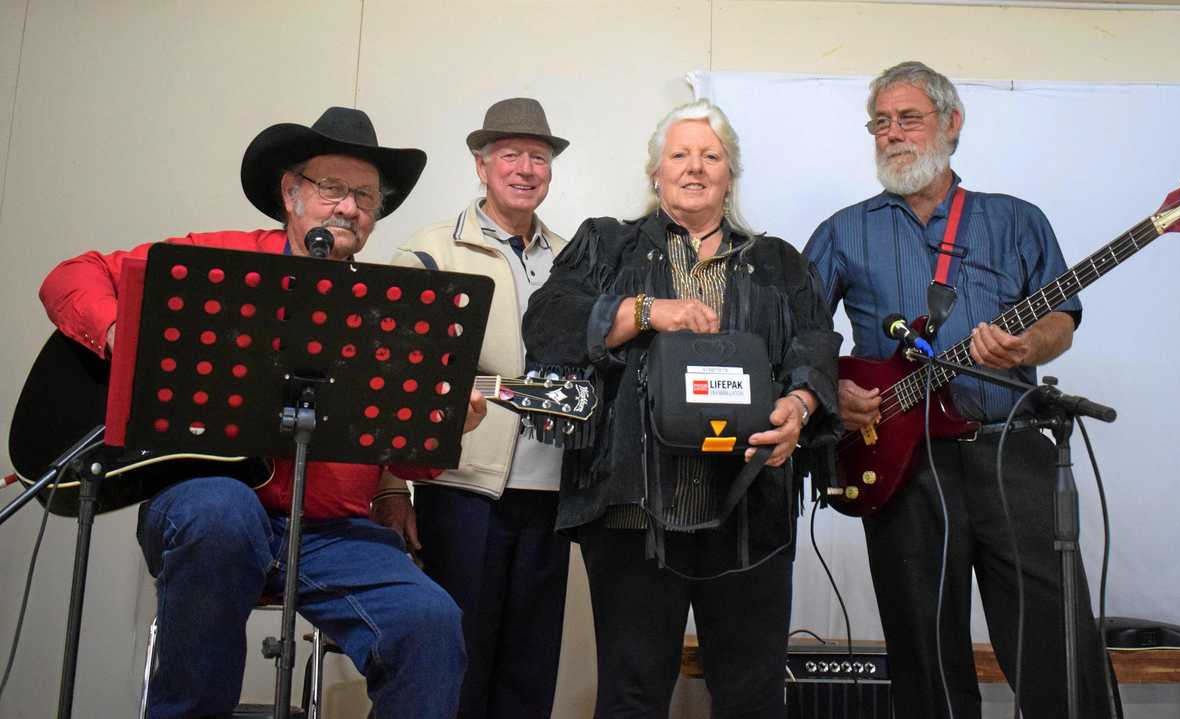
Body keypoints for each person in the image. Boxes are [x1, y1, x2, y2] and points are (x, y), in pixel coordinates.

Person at [39, 107, 485, 719]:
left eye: (364, 196)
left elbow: (407, 458)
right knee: (222, 512)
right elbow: (73, 275)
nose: (348, 208)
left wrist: (442, 425)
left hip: (332, 532)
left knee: (432, 623)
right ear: (292, 193)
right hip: (208, 507)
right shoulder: (217, 261)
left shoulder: (392, 314)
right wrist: (123, 337)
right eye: (333, 189)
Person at [803, 61, 1117, 718]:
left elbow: (1062, 318)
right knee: (924, 653)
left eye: (908, 118)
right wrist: (834, 385)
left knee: (1056, 643)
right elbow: (797, 335)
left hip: (1013, 452)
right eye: (881, 123)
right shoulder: (842, 230)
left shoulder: (1016, 220)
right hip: (901, 460)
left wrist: (1027, 345)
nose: (892, 134)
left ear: (952, 123)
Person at [523, 99, 841, 718]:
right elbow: (548, 324)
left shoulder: (777, 262)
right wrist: (643, 311)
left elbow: (816, 343)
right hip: (633, 515)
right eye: (680, 155)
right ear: (656, 173)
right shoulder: (605, 245)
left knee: (751, 696)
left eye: (710, 156)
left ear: (730, 174)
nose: (694, 167)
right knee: (633, 694)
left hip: (750, 512)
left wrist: (801, 403)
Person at [376, 97, 572, 719]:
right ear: (481, 166)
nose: (525, 168)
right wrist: (390, 489)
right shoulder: (430, 252)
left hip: (554, 492)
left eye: (538, 157)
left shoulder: (575, 259)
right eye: (510, 155)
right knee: (459, 659)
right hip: (460, 485)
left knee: (530, 669)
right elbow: (390, 385)